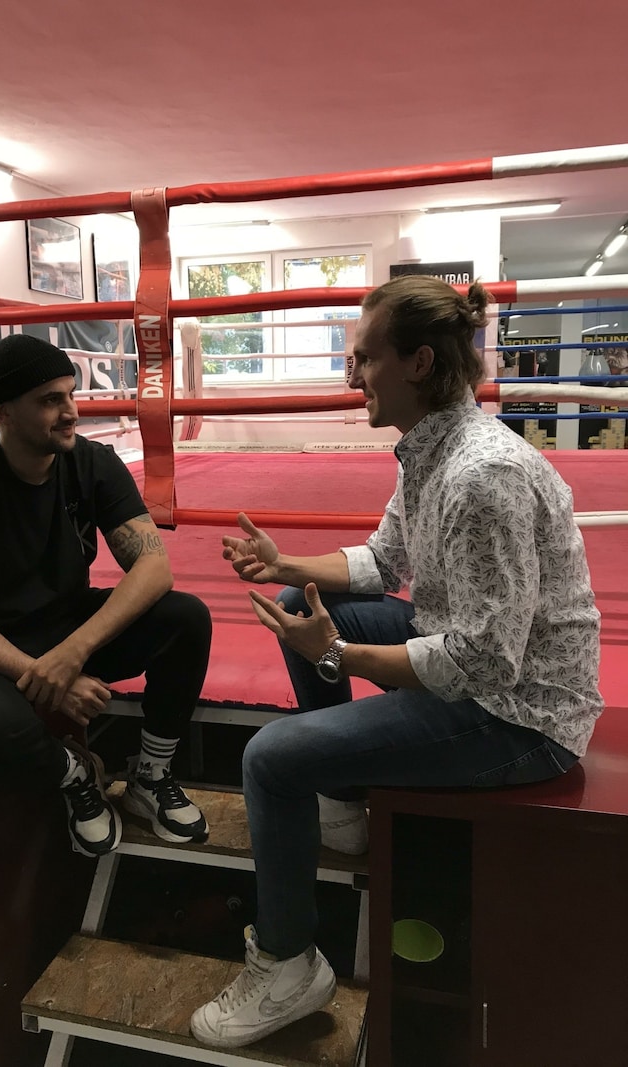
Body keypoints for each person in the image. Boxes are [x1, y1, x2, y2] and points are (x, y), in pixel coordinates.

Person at [190, 275, 603, 1049]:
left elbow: (484, 663)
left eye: (364, 357)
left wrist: (340, 654)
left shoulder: (482, 475)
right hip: (477, 661)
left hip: (522, 717)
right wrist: (289, 563)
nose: (350, 376)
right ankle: (343, 804)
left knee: (271, 758)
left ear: (417, 363)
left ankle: (287, 965)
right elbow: (384, 560)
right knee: (299, 598)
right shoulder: (432, 448)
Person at [0, 333, 211, 857]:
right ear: (2, 411)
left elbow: (153, 567)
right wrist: (43, 672)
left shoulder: (91, 462)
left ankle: (150, 776)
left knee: (185, 619)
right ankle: (74, 774)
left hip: (67, 626)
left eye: (70, 395)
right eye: (50, 400)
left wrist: (70, 656)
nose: (70, 411)